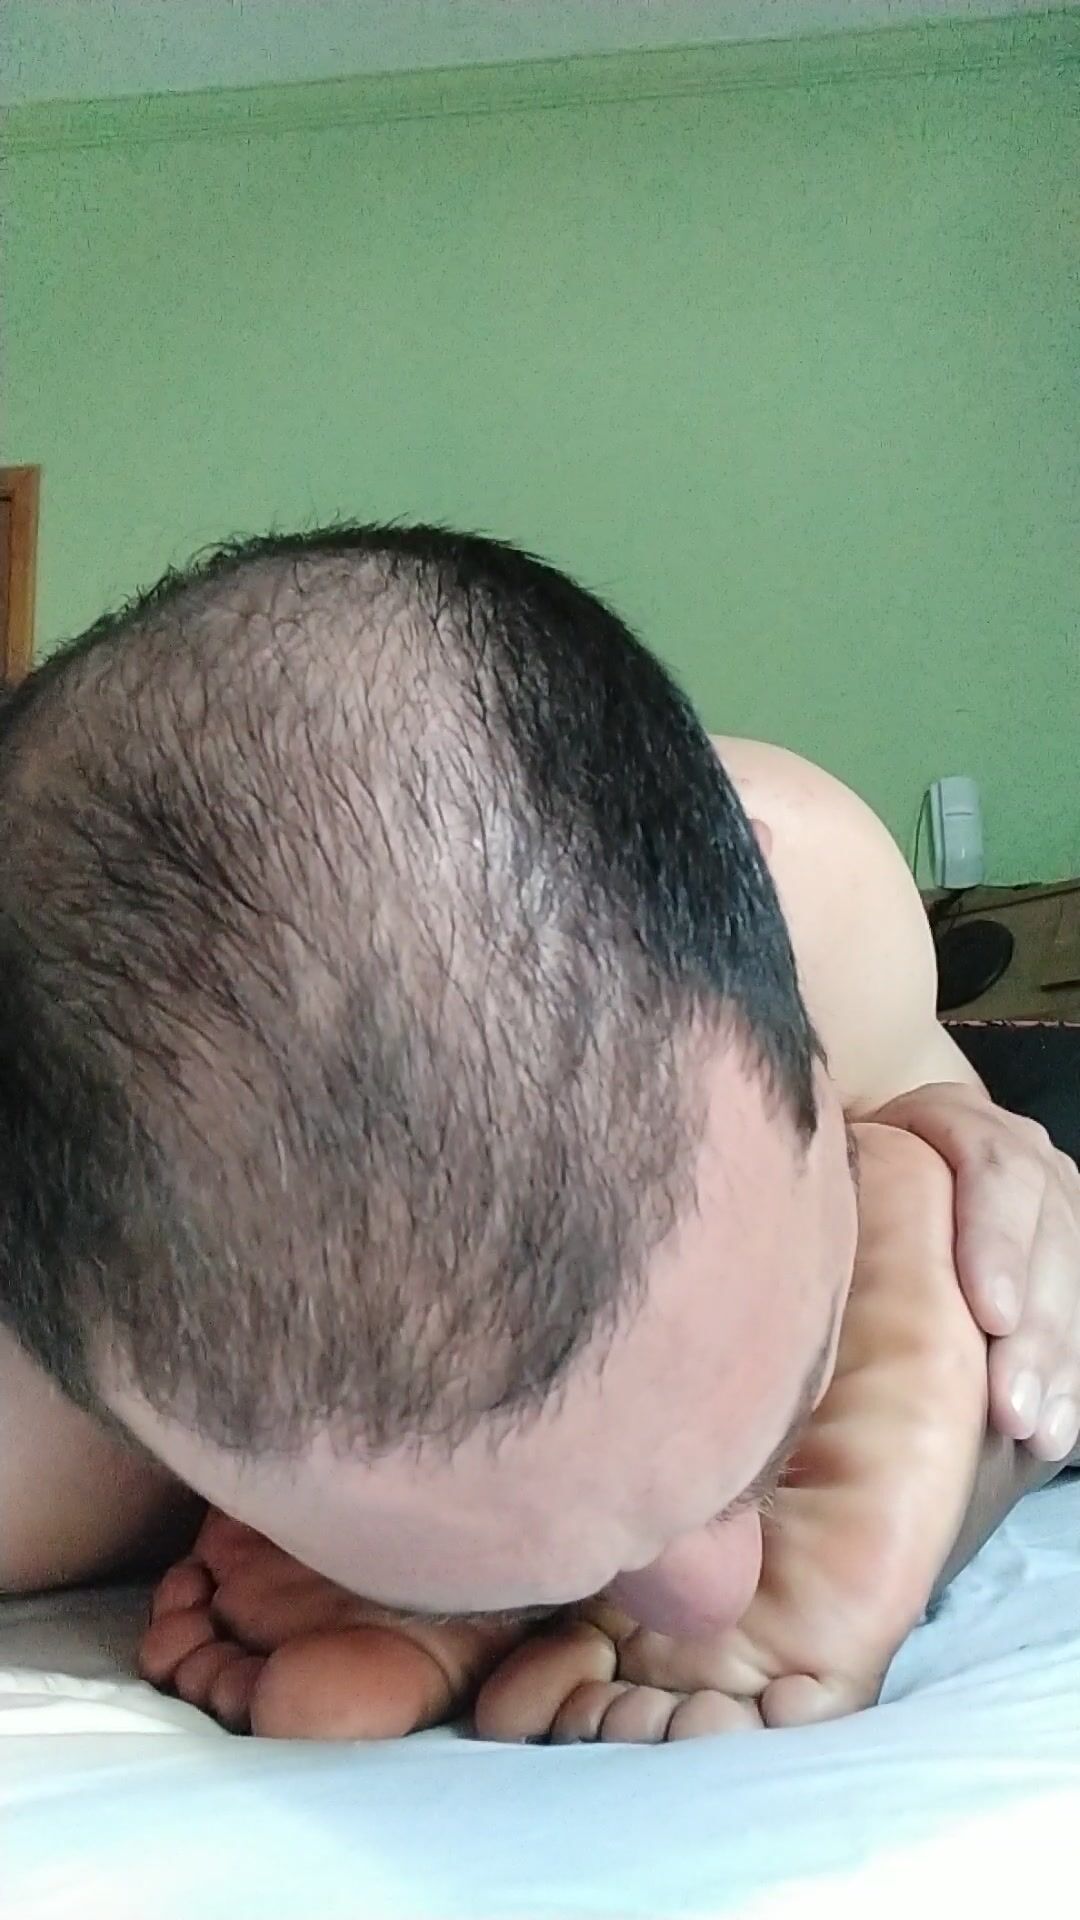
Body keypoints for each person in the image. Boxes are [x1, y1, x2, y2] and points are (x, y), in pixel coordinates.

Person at [1, 526, 1077, 1740]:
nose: (717, 1598)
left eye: (777, 1448)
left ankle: (509, 1528)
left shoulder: (807, 893)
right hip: (105, 1337)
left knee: (964, 1210)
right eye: (483, 1581)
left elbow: (993, 1186)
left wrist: (965, 1146)